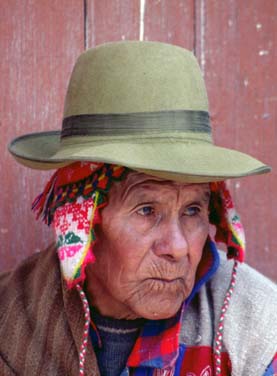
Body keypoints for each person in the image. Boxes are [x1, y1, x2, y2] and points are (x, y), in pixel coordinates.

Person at [1, 41, 277, 376]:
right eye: (146, 210)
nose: (178, 248)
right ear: (83, 222)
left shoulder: (258, 325)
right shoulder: (11, 321)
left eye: (192, 211)